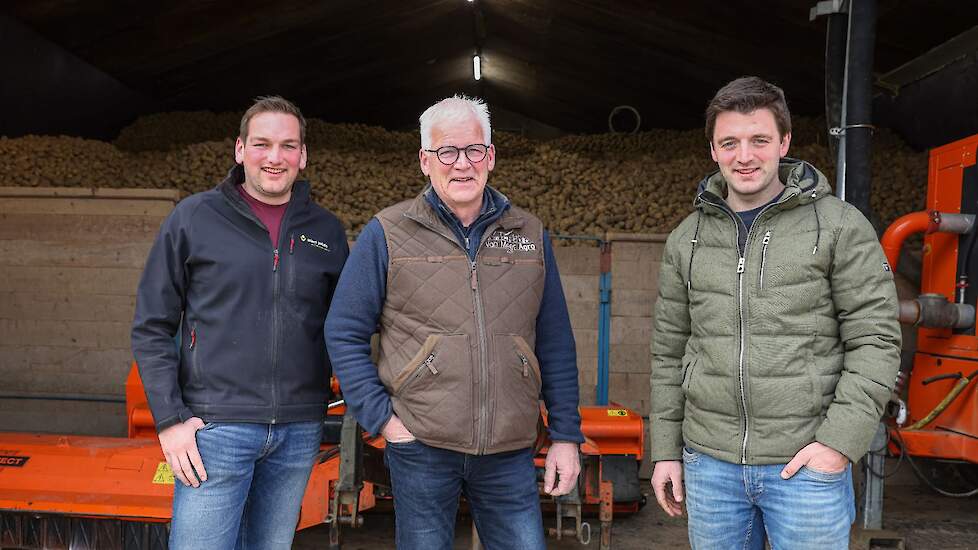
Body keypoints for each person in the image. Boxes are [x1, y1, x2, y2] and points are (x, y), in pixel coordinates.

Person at [649, 76, 901, 549]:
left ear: (784, 142)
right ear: (713, 150)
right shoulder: (688, 238)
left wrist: (838, 443)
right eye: (730, 142)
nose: (744, 155)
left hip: (805, 466)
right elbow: (668, 352)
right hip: (711, 466)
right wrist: (665, 451)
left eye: (759, 140)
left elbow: (876, 340)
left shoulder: (838, 226)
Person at [325, 95, 583, 550]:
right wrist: (384, 421)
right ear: (426, 161)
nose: (461, 164)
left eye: (474, 150)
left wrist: (565, 434)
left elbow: (555, 342)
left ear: (491, 156)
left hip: (509, 450)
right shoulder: (387, 233)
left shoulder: (528, 234)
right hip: (421, 445)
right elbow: (343, 331)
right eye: (447, 152)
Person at [131, 96, 348, 549]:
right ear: (239, 149)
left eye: (288, 146)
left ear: (303, 155)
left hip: (297, 430)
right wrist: (169, 420)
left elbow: (344, 325)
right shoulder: (193, 218)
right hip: (214, 429)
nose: (275, 157)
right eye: (262, 144)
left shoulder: (326, 231)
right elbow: (152, 324)